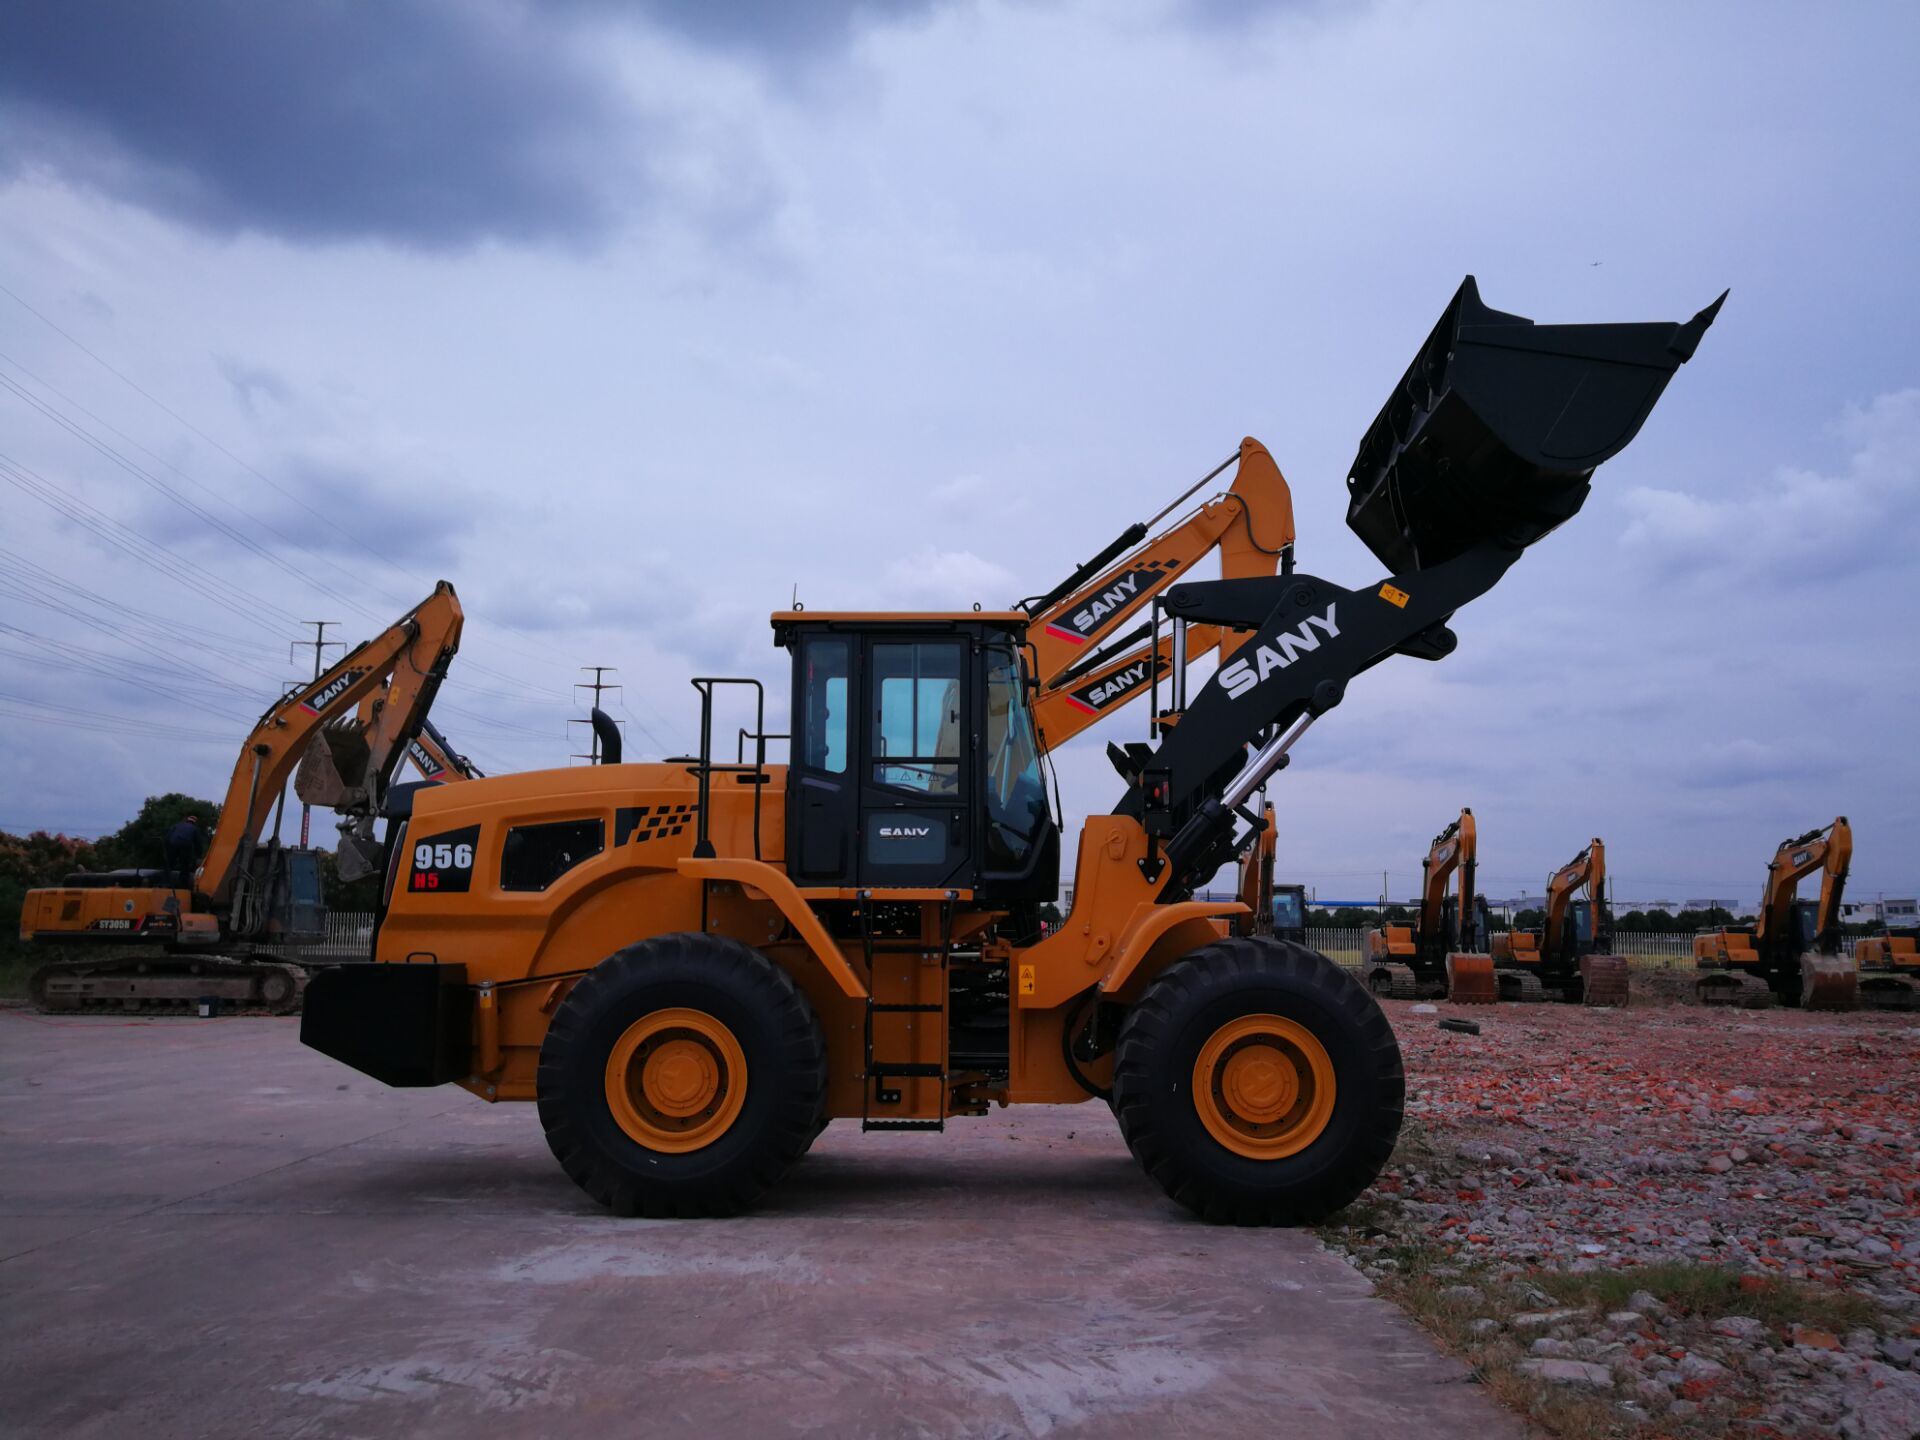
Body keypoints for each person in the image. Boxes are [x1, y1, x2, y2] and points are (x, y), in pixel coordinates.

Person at [164, 814, 204, 891]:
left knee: (169, 864)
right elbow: (198, 844)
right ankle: (183, 887)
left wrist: (167, 849)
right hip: (185, 845)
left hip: (172, 844)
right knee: (185, 866)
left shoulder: (177, 825)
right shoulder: (194, 829)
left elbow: (167, 836)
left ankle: (165, 884)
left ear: (187, 820)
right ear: (194, 823)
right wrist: (198, 856)